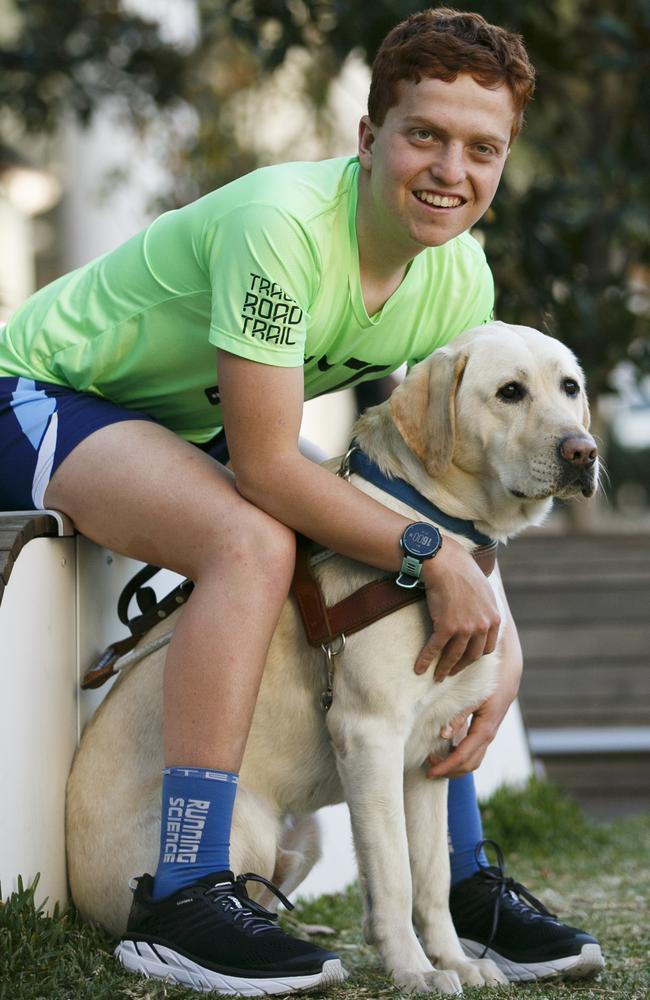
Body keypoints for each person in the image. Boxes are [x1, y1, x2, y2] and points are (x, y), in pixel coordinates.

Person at [0, 7, 603, 993]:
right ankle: (184, 890)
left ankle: (455, 878)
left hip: (166, 433)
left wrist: (489, 615)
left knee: (390, 556)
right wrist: (437, 558)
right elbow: (270, 470)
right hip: (35, 393)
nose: (450, 168)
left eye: (480, 147)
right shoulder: (280, 227)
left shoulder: (455, 275)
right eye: (423, 135)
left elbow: (433, 493)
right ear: (368, 139)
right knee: (252, 541)